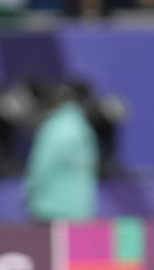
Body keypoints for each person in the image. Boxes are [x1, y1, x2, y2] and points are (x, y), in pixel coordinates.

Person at [24, 82, 99, 222]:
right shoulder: (84, 128)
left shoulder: (52, 128)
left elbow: (41, 166)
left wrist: (30, 195)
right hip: (80, 211)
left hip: (50, 210)